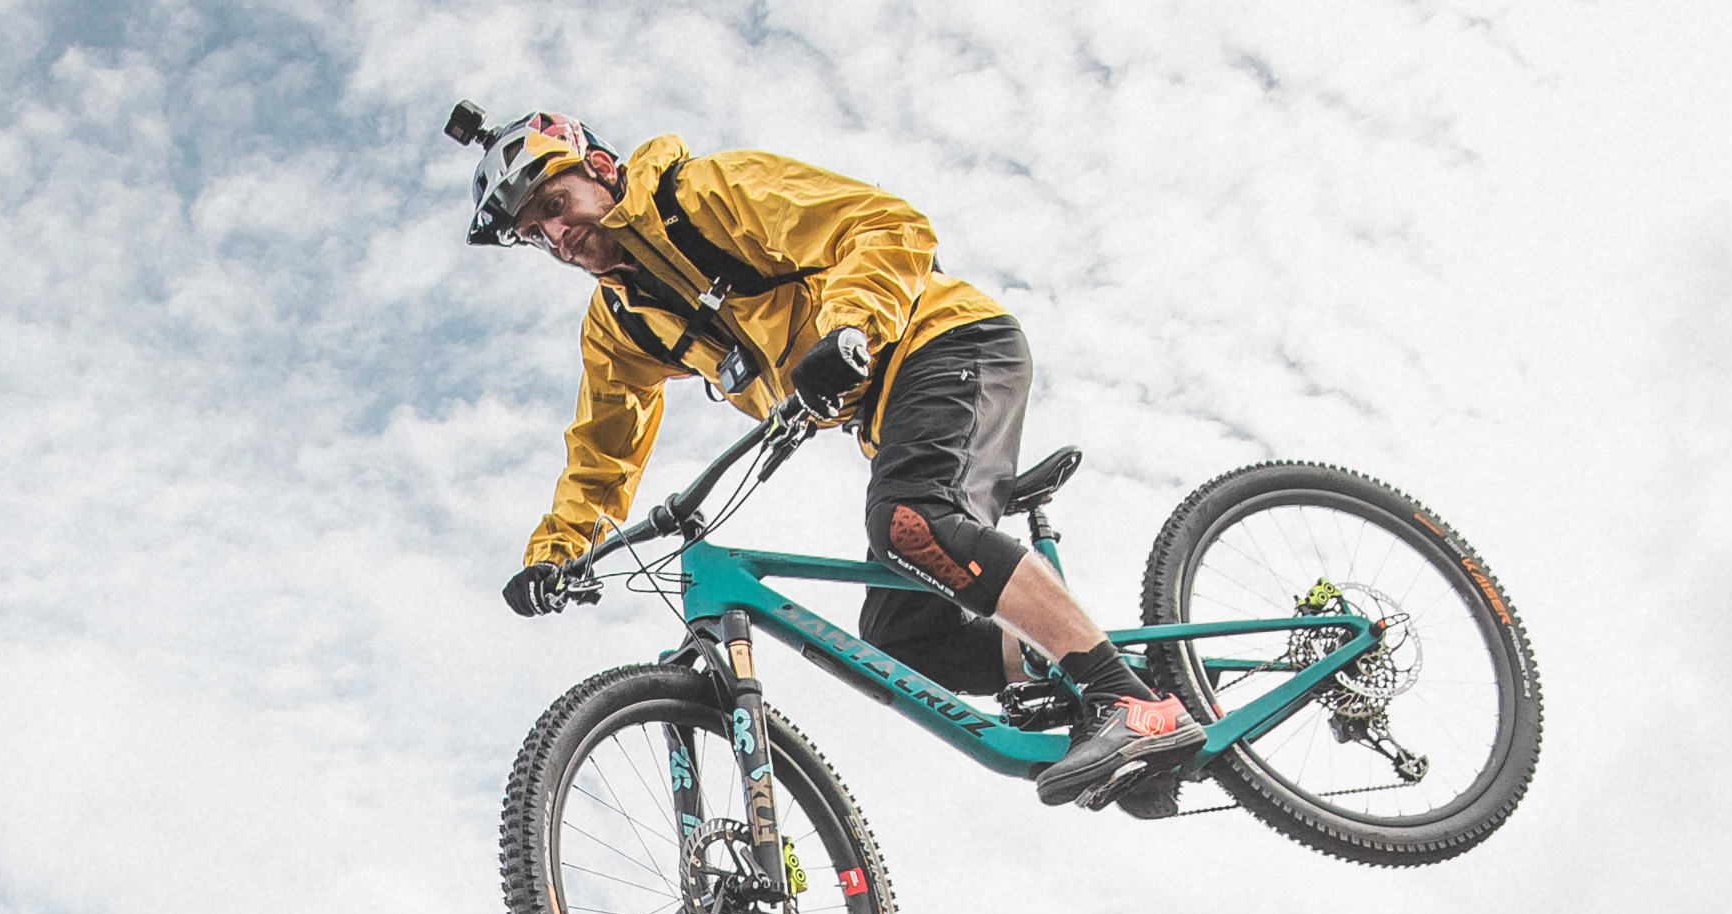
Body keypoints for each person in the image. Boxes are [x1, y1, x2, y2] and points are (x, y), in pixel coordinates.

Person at [454, 105, 1200, 812]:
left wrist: (847, 329)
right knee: (898, 646)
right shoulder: (619, 321)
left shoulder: (704, 194)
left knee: (910, 522)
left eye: (554, 203)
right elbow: (601, 451)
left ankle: (1126, 700)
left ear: (602, 167)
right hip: (885, 414)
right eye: (534, 235)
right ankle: (1101, 688)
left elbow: (884, 225)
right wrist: (559, 551)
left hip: (946, 342)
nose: (555, 236)